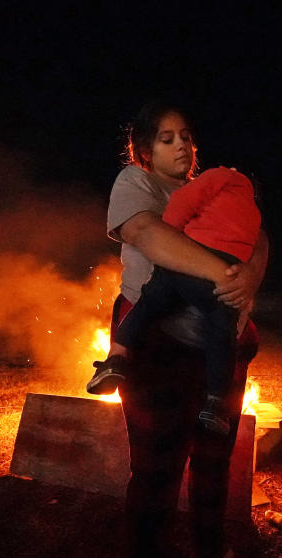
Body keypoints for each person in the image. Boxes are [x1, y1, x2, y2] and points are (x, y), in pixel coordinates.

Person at [101, 101, 268, 558]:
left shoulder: (218, 188)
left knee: (216, 451)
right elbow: (150, 236)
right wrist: (228, 273)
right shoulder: (136, 183)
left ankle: (211, 553)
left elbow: (259, 236)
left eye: (187, 136)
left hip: (217, 342)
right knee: (156, 472)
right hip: (156, 346)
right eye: (167, 138)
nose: (181, 145)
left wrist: (251, 280)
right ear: (145, 150)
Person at [88, 166, 262, 436]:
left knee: (147, 307)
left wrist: (172, 231)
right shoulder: (252, 210)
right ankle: (216, 403)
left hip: (183, 265)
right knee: (221, 334)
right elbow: (255, 246)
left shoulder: (220, 177)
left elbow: (181, 204)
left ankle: (115, 359)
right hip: (221, 282)